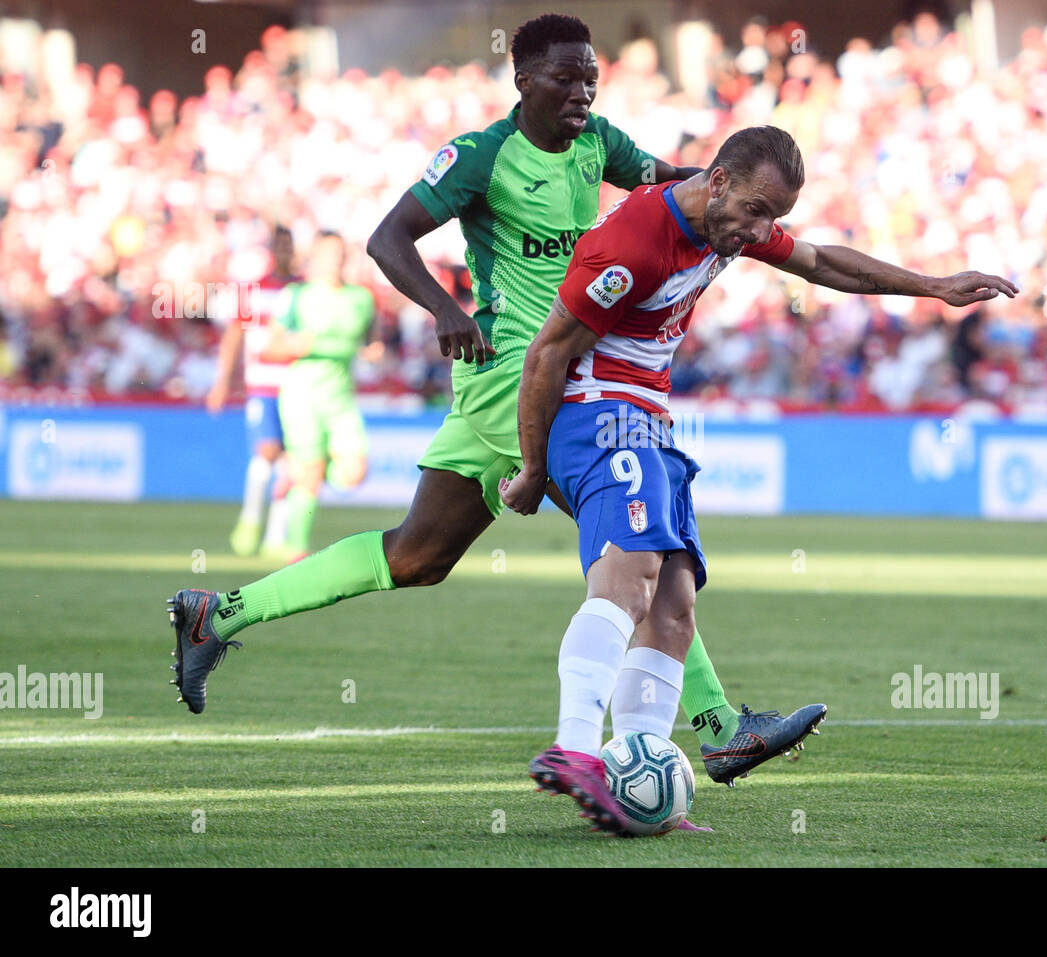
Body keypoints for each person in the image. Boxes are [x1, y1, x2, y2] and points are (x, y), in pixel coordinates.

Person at [166, 14, 824, 789]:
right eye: (565, 79)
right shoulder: (481, 157)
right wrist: (444, 309)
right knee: (636, 535)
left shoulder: (600, 143)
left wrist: (738, 199)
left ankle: (218, 612)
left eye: (590, 80)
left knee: (417, 555)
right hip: (524, 370)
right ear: (523, 81)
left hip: (559, 369)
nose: (581, 93)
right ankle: (718, 729)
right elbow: (388, 238)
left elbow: (674, 183)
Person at [501, 125, 1017, 832]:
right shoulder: (634, 242)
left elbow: (823, 264)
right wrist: (534, 468)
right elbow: (545, 356)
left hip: (647, 420)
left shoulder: (726, 225)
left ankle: (636, 788)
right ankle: (573, 747)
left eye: (771, 216)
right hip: (598, 413)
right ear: (717, 182)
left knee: (675, 604)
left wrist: (930, 286)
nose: (760, 230)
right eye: (754, 211)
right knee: (632, 575)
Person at [260, 230, 379, 561]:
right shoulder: (297, 296)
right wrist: (292, 345)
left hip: (340, 396)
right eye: (328, 255)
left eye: (340, 255)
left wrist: (374, 352)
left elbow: (372, 341)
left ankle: (295, 476)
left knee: (354, 472)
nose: (335, 261)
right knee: (310, 474)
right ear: (314, 259)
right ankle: (295, 548)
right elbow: (270, 347)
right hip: (303, 394)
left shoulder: (362, 298)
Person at [206, 225, 296, 557]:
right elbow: (234, 335)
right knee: (267, 451)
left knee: (292, 461)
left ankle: (276, 535)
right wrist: (222, 381)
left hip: (297, 387)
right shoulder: (251, 290)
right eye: (280, 245)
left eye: (289, 245)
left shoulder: (303, 290)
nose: (285, 251)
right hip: (263, 385)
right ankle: (250, 519)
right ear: (271, 250)